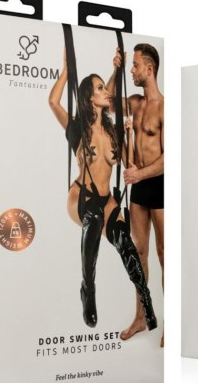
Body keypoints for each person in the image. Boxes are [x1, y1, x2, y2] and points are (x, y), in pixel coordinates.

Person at [48, 50, 157, 331]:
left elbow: (130, 164)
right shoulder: (77, 129)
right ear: (89, 98)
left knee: (124, 241)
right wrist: (66, 71)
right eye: (100, 89)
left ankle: (146, 300)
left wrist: (129, 134)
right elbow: (53, 101)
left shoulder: (113, 131)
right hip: (81, 197)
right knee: (94, 218)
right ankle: (88, 289)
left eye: (104, 88)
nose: (106, 92)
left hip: (107, 198)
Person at [107, 44, 164, 346]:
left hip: (159, 183)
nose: (133, 70)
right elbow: (107, 101)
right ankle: (141, 317)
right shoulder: (135, 103)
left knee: (164, 254)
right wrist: (116, 69)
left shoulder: (164, 107)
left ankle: (169, 324)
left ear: (149, 69)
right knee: (139, 253)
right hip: (138, 184)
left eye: (135, 65)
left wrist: (139, 175)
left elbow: (168, 158)